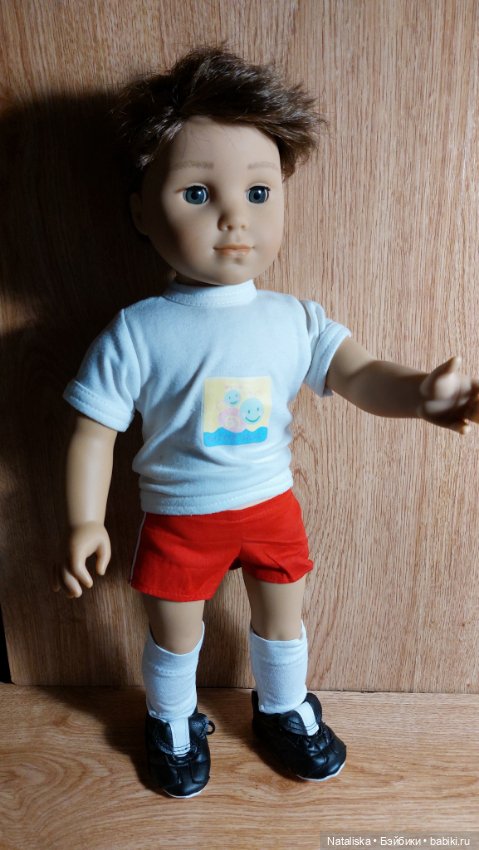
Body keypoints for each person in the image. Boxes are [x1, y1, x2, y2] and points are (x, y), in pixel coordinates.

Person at [55, 47, 479, 799]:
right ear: (141, 211)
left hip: (270, 505)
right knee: (175, 632)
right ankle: (171, 718)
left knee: (283, 619)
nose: (233, 217)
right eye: (196, 193)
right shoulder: (139, 331)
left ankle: (282, 707)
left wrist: (420, 393)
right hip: (180, 516)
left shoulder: (294, 319)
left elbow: (358, 373)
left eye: (258, 191)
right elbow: (94, 431)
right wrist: (84, 520)